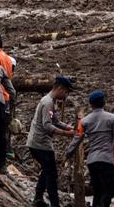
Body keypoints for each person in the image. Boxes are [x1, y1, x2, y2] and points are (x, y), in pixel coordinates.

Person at [66, 91, 114, 207]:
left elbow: (77, 138)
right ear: (104, 102)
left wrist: (68, 153)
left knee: (97, 191)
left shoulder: (84, 121)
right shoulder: (113, 118)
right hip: (107, 160)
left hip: (92, 161)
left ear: (91, 104)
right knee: (109, 191)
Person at [26, 76, 75, 207]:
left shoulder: (51, 102)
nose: (66, 95)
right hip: (40, 144)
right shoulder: (47, 102)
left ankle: (38, 198)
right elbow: (47, 125)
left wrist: (69, 127)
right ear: (59, 88)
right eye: (66, 92)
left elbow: (56, 121)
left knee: (48, 170)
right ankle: (54, 204)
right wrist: (66, 134)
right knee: (52, 174)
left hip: (41, 143)